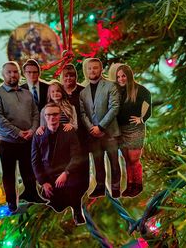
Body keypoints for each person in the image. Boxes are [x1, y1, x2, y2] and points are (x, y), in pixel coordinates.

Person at [0, 61, 45, 213]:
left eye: (15, 72)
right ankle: (12, 202)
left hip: (27, 139)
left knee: (29, 169)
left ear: (19, 74)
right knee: (9, 173)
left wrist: (32, 130)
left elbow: (35, 113)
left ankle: (32, 194)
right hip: (7, 141)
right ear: (3, 74)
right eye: (9, 72)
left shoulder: (26, 93)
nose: (13, 75)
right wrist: (18, 133)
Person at [31, 102, 86, 225]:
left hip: (68, 172)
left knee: (75, 186)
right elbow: (35, 162)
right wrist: (43, 182)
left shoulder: (69, 131)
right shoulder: (38, 135)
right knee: (57, 206)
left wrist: (66, 173)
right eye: (48, 115)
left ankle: (77, 211)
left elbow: (76, 156)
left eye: (55, 114)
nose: (52, 118)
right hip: (49, 176)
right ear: (45, 117)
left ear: (60, 115)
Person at [80, 58, 121, 198]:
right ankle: (100, 187)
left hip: (109, 133)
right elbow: (83, 113)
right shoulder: (83, 92)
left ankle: (116, 187)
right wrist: (92, 128)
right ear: (86, 71)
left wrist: (101, 127)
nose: (92, 70)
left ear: (101, 69)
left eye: (95, 68)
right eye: (90, 68)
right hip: (93, 135)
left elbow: (114, 107)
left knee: (114, 163)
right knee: (97, 164)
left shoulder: (110, 86)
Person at [108, 63, 151, 197]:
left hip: (135, 129)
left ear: (129, 76)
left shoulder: (141, 90)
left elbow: (148, 107)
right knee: (126, 159)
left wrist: (142, 119)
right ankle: (130, 185)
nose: (121, 79)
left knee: (134, 159)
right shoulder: (117, 90)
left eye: (123, 76)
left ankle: (137, 185)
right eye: (118, 77)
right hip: (120, 129)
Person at [60, 64, 90, 193]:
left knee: (82, 162)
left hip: (82, 134)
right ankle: (68, 190)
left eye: (71, 75)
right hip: (64, 137)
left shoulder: (83, 91)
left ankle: (84, 189)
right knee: (67, 164)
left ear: (76, 77)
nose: (68, 78)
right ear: (62, 77)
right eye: (66, 76)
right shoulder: (58, 92)